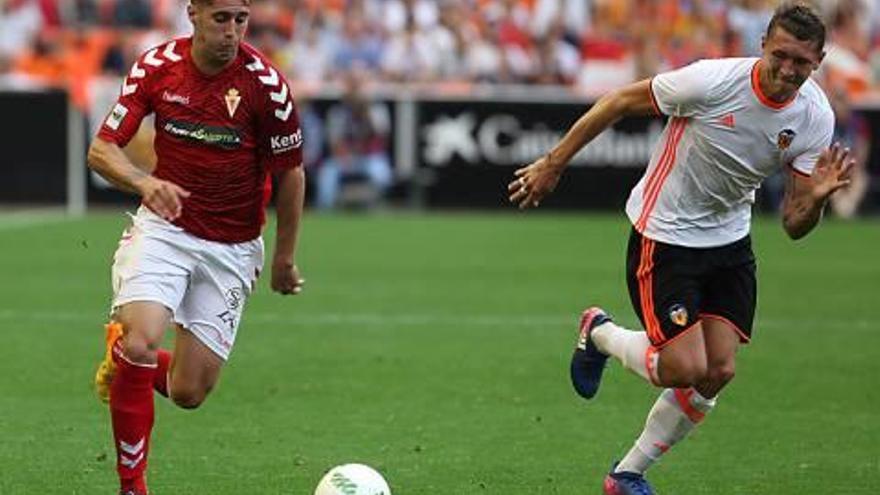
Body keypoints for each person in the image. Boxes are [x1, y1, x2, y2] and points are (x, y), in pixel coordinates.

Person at [507, 4, 853, 494]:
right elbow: (619, 101)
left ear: (819, 60)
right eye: (781, 55)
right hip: (665, 234)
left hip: (731, 240)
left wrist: (816, 201)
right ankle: (599, 333)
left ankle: (626, 475)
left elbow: (794, 226)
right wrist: (553, 163)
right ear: (763, 46)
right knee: (683, 368)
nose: (789, 70)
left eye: (802, 61)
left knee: (718, 372)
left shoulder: (815, 116)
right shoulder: (710, 83)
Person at [87, 1, 305, 494]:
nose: (231, 31)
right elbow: (101, 151)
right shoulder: (157, 67)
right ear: (194, 14)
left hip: (231, 247)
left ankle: (120, 356)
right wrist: (145, 184)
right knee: (143, 341)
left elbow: (290, 173)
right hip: (165, 230)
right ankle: (132, 486)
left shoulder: (265, 86)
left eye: (240, 20)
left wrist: (284, 260)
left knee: (188, 391)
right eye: (220, 18)